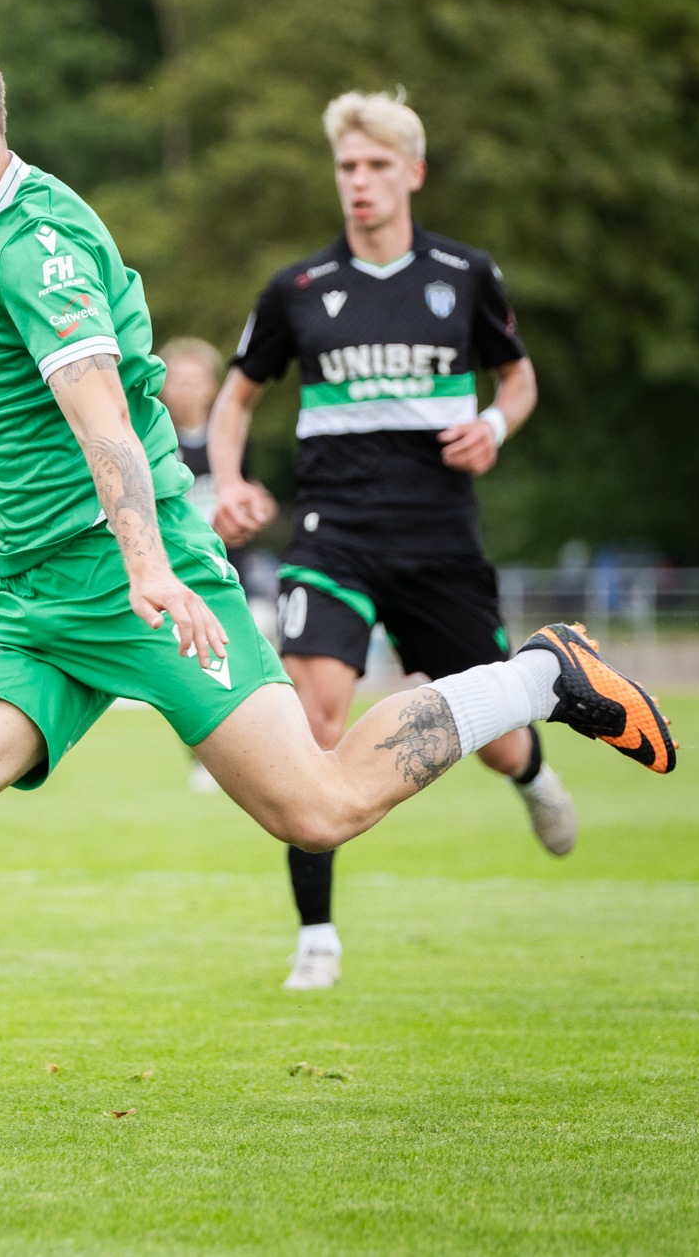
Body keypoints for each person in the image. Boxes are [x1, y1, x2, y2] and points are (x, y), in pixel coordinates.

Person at [0, 23, 673, 1136]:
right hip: (32, 604)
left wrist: (151, 568)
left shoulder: (45, 244)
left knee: (315, 809)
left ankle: (542, 676)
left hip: (134, 582)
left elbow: (101, 414)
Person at [208, 92, 581, 993]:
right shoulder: (297, 290)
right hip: (333, 534)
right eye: (347, 167)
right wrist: (230, 480)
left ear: (412, 172)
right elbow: (235, 400)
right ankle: (317, 937)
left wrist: (494, 422)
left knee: (492, 736)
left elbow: (520, 378)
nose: (359, 183)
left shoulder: (466, 274)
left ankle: (530, 774)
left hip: (440, 538)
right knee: (311, 720)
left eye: (377, 166)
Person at [156, 337, 275, 797]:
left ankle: (267, 755)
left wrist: (256, 507)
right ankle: (206, 761)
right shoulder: (153, 439)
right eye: (177, 381)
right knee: (195, 673)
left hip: (234, 575)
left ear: (212, 387)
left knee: (256, 669)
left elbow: (253, 493)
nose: (185, 390)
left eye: (194, 380)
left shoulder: (232, 442)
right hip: (181, 580)